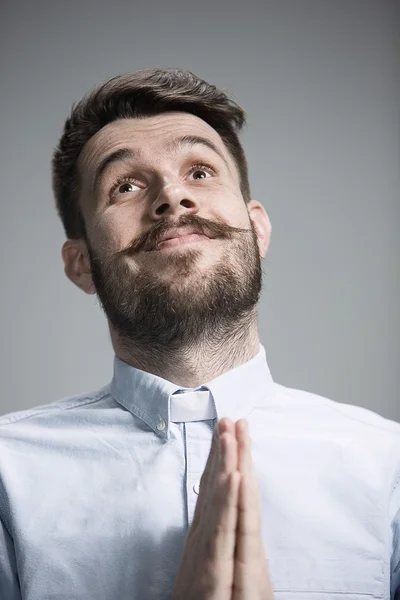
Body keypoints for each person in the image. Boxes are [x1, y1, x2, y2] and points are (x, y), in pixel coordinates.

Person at [0, 68, 398, 600]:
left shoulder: (389, 465)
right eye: (126, 186)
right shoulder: (6, 475)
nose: (172, 197)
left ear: (256, 230)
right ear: (81, 265)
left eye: (201, 172)